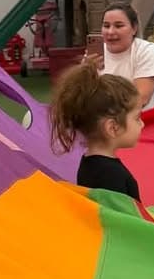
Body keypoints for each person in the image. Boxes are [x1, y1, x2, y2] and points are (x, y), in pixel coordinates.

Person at [51, 61, 144, 201]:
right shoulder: (111, 176)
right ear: (113, 128)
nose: (142, 124)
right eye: (137, 118)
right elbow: (120, 221)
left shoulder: (90, 163)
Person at [94, 3, 154, 108]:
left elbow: (140, 99)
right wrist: (85, 72)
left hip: (142, 122)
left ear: (134, 28)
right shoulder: (96, 53)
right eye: (106, 26)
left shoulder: (147, 51)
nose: (110, 31)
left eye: (118, 26)